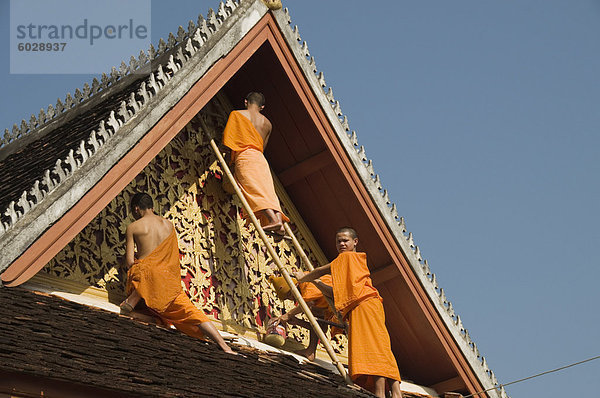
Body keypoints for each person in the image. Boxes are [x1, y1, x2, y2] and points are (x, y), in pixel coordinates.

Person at [295, 227, 403, 398]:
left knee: (373, 346)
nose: (342, 244)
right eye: (338, 241)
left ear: (355, 242)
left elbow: (321, 270)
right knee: (380, 345)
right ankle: (395, 392)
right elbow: (334, 293)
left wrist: (303, 278)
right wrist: (315, 282)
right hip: (366, 305)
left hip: (364, 305)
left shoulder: (347, 258)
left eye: (345, 240)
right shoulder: (347, 265)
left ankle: (381, 393)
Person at [121, 192, 235, 354]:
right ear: (152, 207)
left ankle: (131, 302)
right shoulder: (169, 225)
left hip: (145, 280)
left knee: (142, 271)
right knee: (193, 313)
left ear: (136, 209)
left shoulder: (133, 227)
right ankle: (224, 346)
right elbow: (172, 258)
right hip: (168, 283)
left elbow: (130, 262)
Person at [222, 92, 289, 237]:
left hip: (245, 156)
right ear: (262, 107)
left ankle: (271, 219)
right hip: (259, 158)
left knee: (253, 189)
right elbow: (262, 146)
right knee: (267, 191)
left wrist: (228, 163)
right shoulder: (268, 124)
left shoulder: (237, 114)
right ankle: (278, 223)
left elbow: (230, 142)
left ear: (246, 102)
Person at [269, 274, 345, 361]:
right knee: (316, 314)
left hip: (348, 301)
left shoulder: (307, 281)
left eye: (290, 293)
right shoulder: (318, 303)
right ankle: (310, 351)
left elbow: (309, 302)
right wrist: (298, 322)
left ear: (295, 285)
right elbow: (320, 329)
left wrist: (288, 315)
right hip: (342, 312)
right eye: (288, 298)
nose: (292, 298)